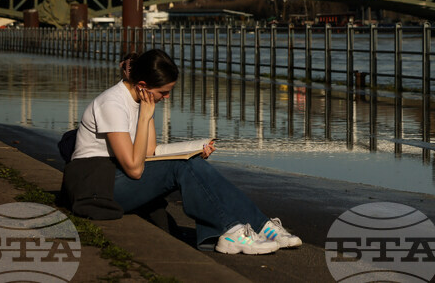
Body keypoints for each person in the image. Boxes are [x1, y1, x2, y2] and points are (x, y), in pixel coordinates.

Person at [68, 49, 301, 255]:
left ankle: (261, 226)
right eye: (163, 92)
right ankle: (230, 232)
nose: (166, 97)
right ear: (142, 86)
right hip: (96, 188)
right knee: (182, 166)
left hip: (115, 176)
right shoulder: (112, 103)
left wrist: (190, 149)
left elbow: (149, 152)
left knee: (191, 162)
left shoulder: (141, 99)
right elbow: (135, 169)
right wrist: (146, 116)